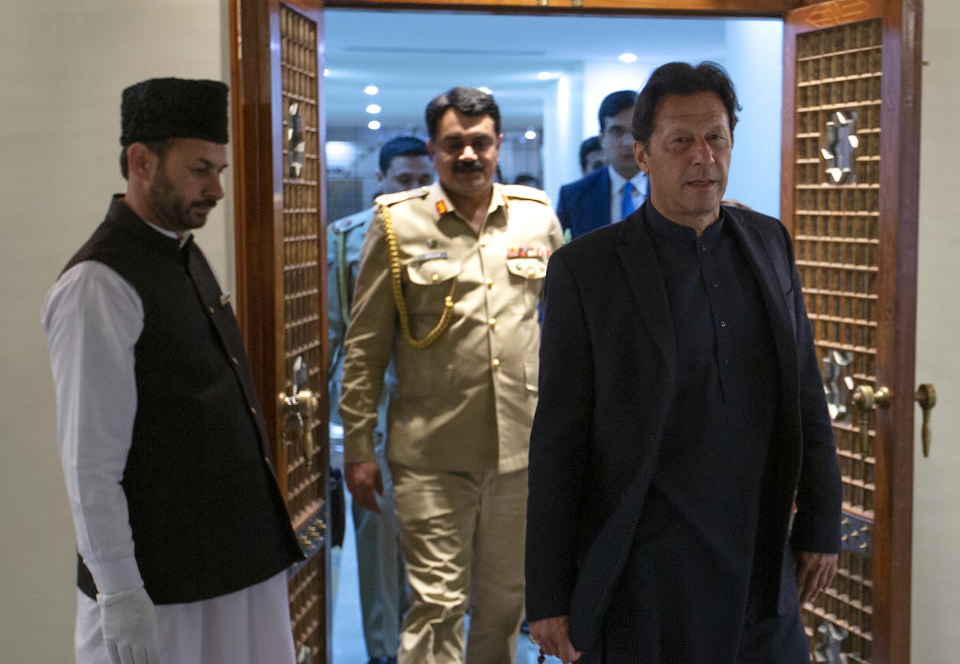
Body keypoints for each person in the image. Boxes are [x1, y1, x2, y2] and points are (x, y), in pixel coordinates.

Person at [525, 62, 842, 663]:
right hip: (647, 564)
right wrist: (548, 592)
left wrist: (821, 522)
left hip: (759, 557)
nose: (702, 157)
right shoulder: (587, 271)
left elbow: (805, 390)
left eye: (716, 137)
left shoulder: (768, 242)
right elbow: (559, 437)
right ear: (641, 154)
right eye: (681, 141)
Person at [42, 78, 303, 664]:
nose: (216, 188)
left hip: (233, 569)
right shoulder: (98, 284)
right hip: (164, 590)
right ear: (141, 161)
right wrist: (119, 591)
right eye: (200, 169)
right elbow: (90, 463)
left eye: (220, 171)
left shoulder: (181, 248)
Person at [339, 86, 564, 664]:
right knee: (437, 604)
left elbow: (566, 332)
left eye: (480, 143)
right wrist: (360, 446)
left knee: (503, 605)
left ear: (498, 145)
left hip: (520, 451)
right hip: (430, 454)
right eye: (454, 144)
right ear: (436, 150)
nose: (469, 155)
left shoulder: (536, 218)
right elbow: (364, 345)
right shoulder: (396, 224)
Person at [328, 135, 434, 664]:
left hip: (437, 408)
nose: (414, 191)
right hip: (374, 409)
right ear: (381, 182)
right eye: (404, 180)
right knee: (378, 532)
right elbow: (332, 334)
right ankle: (383, 651)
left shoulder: (449, 239)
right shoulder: (347, 239)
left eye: (423, 181)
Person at [556, 90, 647, 238]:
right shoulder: (574, 197)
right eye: (617, 131)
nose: (628, 142)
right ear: (602, 138)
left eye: (635, 132)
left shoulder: (670, 189)